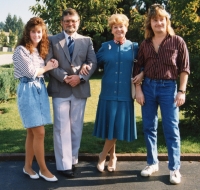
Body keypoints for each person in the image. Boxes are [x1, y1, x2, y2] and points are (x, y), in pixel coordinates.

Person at [133, 4, 190, 184]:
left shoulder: (177, 41)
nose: (158, 23)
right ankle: (152, 163)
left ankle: (174, 168)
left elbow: (184, 69)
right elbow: (138, 68)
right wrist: (139, 90)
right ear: (150, 23)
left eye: (161, 19)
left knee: (171, 129)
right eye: (155, 20)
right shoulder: (145, 44)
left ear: (167, 21)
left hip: (169, 88)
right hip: (148, 88)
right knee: (149, 127)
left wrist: (181, 91)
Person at [45, 8, 97, 178]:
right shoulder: (52, 40)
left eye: (73, 20)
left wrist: (80, 78)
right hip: (60, 88)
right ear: (62, 23)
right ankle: (63, 165)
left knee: (76, 128)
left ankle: (73, 160)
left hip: (80, 89)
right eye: (67, 21)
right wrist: (67, 77)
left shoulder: (86, 40)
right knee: (61, 128)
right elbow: (49, 62)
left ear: (78, 22)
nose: (70, 23)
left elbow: (92, 62)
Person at [91, 13, 143, 172]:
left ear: (126, 28)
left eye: (121, 26)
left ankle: (102, 156)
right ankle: (112, 156)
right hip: (107, 92)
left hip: (125, 93)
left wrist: (142, 74)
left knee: (117, 126)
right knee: (110, 127)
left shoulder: (135, 47)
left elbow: (142, 66)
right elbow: (92, 62)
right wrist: (84, 68)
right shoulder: (105, 46)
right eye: (115, 27)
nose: (119, 29)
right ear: (111, 29)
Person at [13, 17, 58, 182]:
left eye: (39, 32)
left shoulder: (38, 50)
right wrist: (47, 67)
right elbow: (32, 72)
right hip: (28, 90)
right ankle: (44, 169)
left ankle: (27, 166)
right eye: (33, 31)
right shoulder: (21, 50)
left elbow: (41, 70)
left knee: (32, 133)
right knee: (39, 132)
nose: (36, 35)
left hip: (39, 89)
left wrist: (49, 64)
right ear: (28, 32)